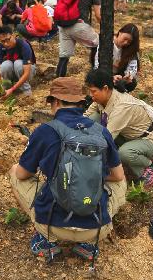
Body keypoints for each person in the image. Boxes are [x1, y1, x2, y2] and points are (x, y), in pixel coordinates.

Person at [8, 77, 126, 261]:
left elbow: (23, 174)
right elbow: (117, 175)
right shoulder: (101, 131)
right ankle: (87, 245)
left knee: (15, 171)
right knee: (122, 180)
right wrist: (92, 176)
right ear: (80, 103)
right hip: (95, 227)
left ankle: (46, 242)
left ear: (55, 101)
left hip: (51, 223)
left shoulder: (44, 131)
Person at [85, 69, 153, 186]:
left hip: (146, 139)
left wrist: (85, 155)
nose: (91, 95)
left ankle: (149, 166)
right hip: (126, 133)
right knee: (93, 118)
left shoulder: (121, 107)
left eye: (93, 91)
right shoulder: (104, 97)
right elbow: (87, 116)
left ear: (105, 88)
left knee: (124, 153)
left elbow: (106, 139)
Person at [55, 0, 103, 78]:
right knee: (98, 45)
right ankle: (94, 75)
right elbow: (98, 15)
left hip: (63, 24)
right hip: (78, 25)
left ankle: (58, 84)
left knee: (64, 56)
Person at [93, 23, 140, 93]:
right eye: (125, 39)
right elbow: (97, 64)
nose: (126, 42)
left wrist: (128, 76)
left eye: (129, 42)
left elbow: (132, 67)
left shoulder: (130, 50)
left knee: (132, 83)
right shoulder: (107, 43)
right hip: (104, 74)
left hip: (119, 77)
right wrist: (110, 77)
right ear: (120, 33)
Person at [0, 25, 35, 98]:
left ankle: (26, 91)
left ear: (13, 35)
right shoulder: (0, 47)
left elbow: (27, 72)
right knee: (5, 65)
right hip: (14, 72)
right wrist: (0, 85)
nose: (6, 43)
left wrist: (12, 89)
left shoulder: (24, 45)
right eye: (2, 41)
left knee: (18, 64)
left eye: (8, 39)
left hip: (28, 70)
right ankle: (6, 89)